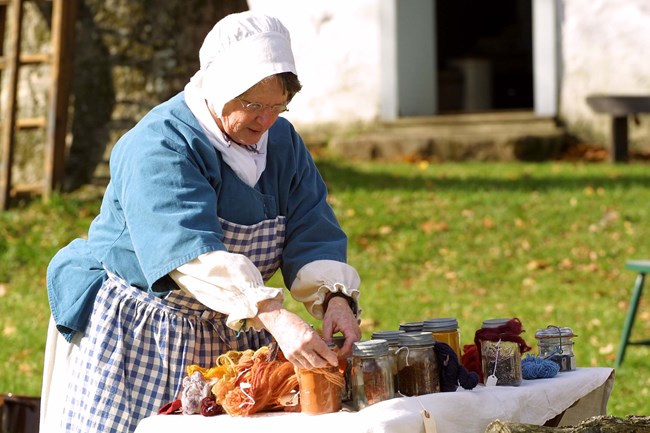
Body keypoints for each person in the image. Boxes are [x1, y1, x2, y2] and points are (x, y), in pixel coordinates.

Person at [40, 11, 361, 433]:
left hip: (236, 326)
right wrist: (274, 315)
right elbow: (189, 251)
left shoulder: (282, 142)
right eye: (252, 105)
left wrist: (335, 299)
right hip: (142, 330)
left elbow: (312, 226)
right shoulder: (161, 143)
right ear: (219, 87)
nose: (265, 120)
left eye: (276, 106)